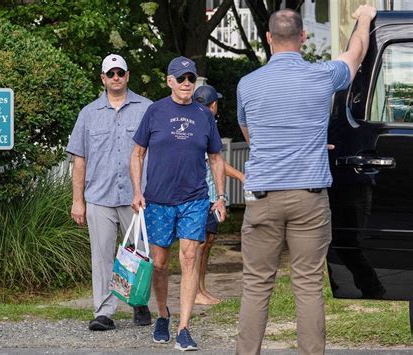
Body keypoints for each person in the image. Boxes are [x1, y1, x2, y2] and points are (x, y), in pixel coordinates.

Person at [235, 5, 377, 355]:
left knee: (256, 286)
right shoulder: (322, 75)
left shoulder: (247, 84)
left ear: (268, 38)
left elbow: (252, 136)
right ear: (303, 37)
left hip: (263, 197)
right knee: (308, 285)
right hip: (309, 197)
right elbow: (355, 52)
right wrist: (364, 18)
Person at [130, 56, 227, 351]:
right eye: (181, 78)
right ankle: (163, 315)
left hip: (194, 200)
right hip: (158, 200)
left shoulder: (204, 115)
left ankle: (184, 327)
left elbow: (216, 158)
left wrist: (220, 196)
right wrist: (137, 191)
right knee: (160, 263)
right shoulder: (154, 111)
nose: (186, 84)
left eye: (190, 79)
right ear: (170, 81)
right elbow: (137, 154)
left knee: (189, 258)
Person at [67, 54, 152, 332]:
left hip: (135, 197)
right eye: (110, 73)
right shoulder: (88, 114)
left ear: (127, 76)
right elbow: (79, 159)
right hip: (99, 198)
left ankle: (139, 303)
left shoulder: (146, 109)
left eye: (120, 73)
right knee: (102, 256)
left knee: (138, 254)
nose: (116, 78)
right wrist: (77, 200)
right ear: (103, 78)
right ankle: (104, 311)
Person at [193, 85, 244, 305]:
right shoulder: (200, 126)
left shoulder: (207, 124)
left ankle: (201, 288)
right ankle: (195, 291)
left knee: (208, 242)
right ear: (213, 105)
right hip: (203, 195)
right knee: (199, 244)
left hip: (212, 196)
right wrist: (242, 177)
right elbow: (218, 163)